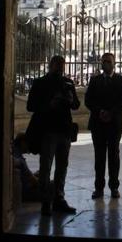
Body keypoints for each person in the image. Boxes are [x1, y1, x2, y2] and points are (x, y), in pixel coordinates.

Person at [26, 55, 80, 216]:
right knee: (46, 167)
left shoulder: (68, 83)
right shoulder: (40, 83)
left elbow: (76, 105)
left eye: (62, 65)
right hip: (47, 130)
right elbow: (30, 106)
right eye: (57, 65)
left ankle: (59, 198)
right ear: (50, 65)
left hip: (64, 130)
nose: (60, 68)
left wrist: (70, 100)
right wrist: (49, 104)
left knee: (62, 167)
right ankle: (45, 201)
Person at [84, 52, 122, 199]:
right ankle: (99, 188)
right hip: (98, 123)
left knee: (114, 157)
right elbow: (88, 100)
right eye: (104, 61)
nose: (106, 64)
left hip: (114, 123)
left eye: (109, 61)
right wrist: (100, 112)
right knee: (99, 157)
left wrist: (111, 112)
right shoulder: (94, 80)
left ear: (114, 63)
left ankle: (114, 187)